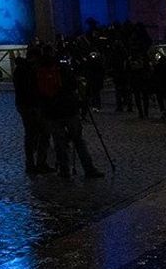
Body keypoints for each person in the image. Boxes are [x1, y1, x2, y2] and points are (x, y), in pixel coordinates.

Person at [41, 51, 104, 180]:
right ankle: (89, 168)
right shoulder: (64, 71)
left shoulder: (42, 74)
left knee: (59, 143)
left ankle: (64, 171)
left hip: (53, 112)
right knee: (78, 140)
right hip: (69, 110)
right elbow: (74, 85)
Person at [13, 44, 52, 176]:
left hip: (27, 105)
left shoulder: (21, 69)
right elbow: (28, 89)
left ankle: (35, 163)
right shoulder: (25, 71)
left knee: (35, 134)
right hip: (29, 105)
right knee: (35, 134)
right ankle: (35, 163)